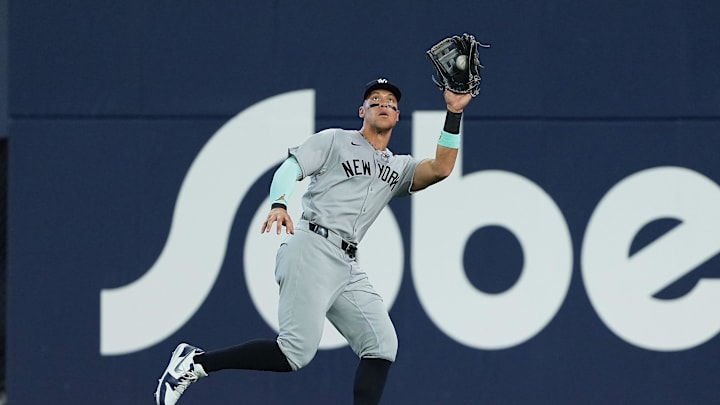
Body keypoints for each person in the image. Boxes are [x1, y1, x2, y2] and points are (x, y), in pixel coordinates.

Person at [154, 78, 473, 405]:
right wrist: (279, 202)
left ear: (397, 114)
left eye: (390, 101)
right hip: (312, 245)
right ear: (362, 110)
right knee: (294, 353)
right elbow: (291, 167)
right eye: (374, 99)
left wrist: (453, 112)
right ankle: (194, 364)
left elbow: (441, 168)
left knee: (382, 344)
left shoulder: (398, 166)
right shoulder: (336, 140)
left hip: (347, 264)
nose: (383, 104)